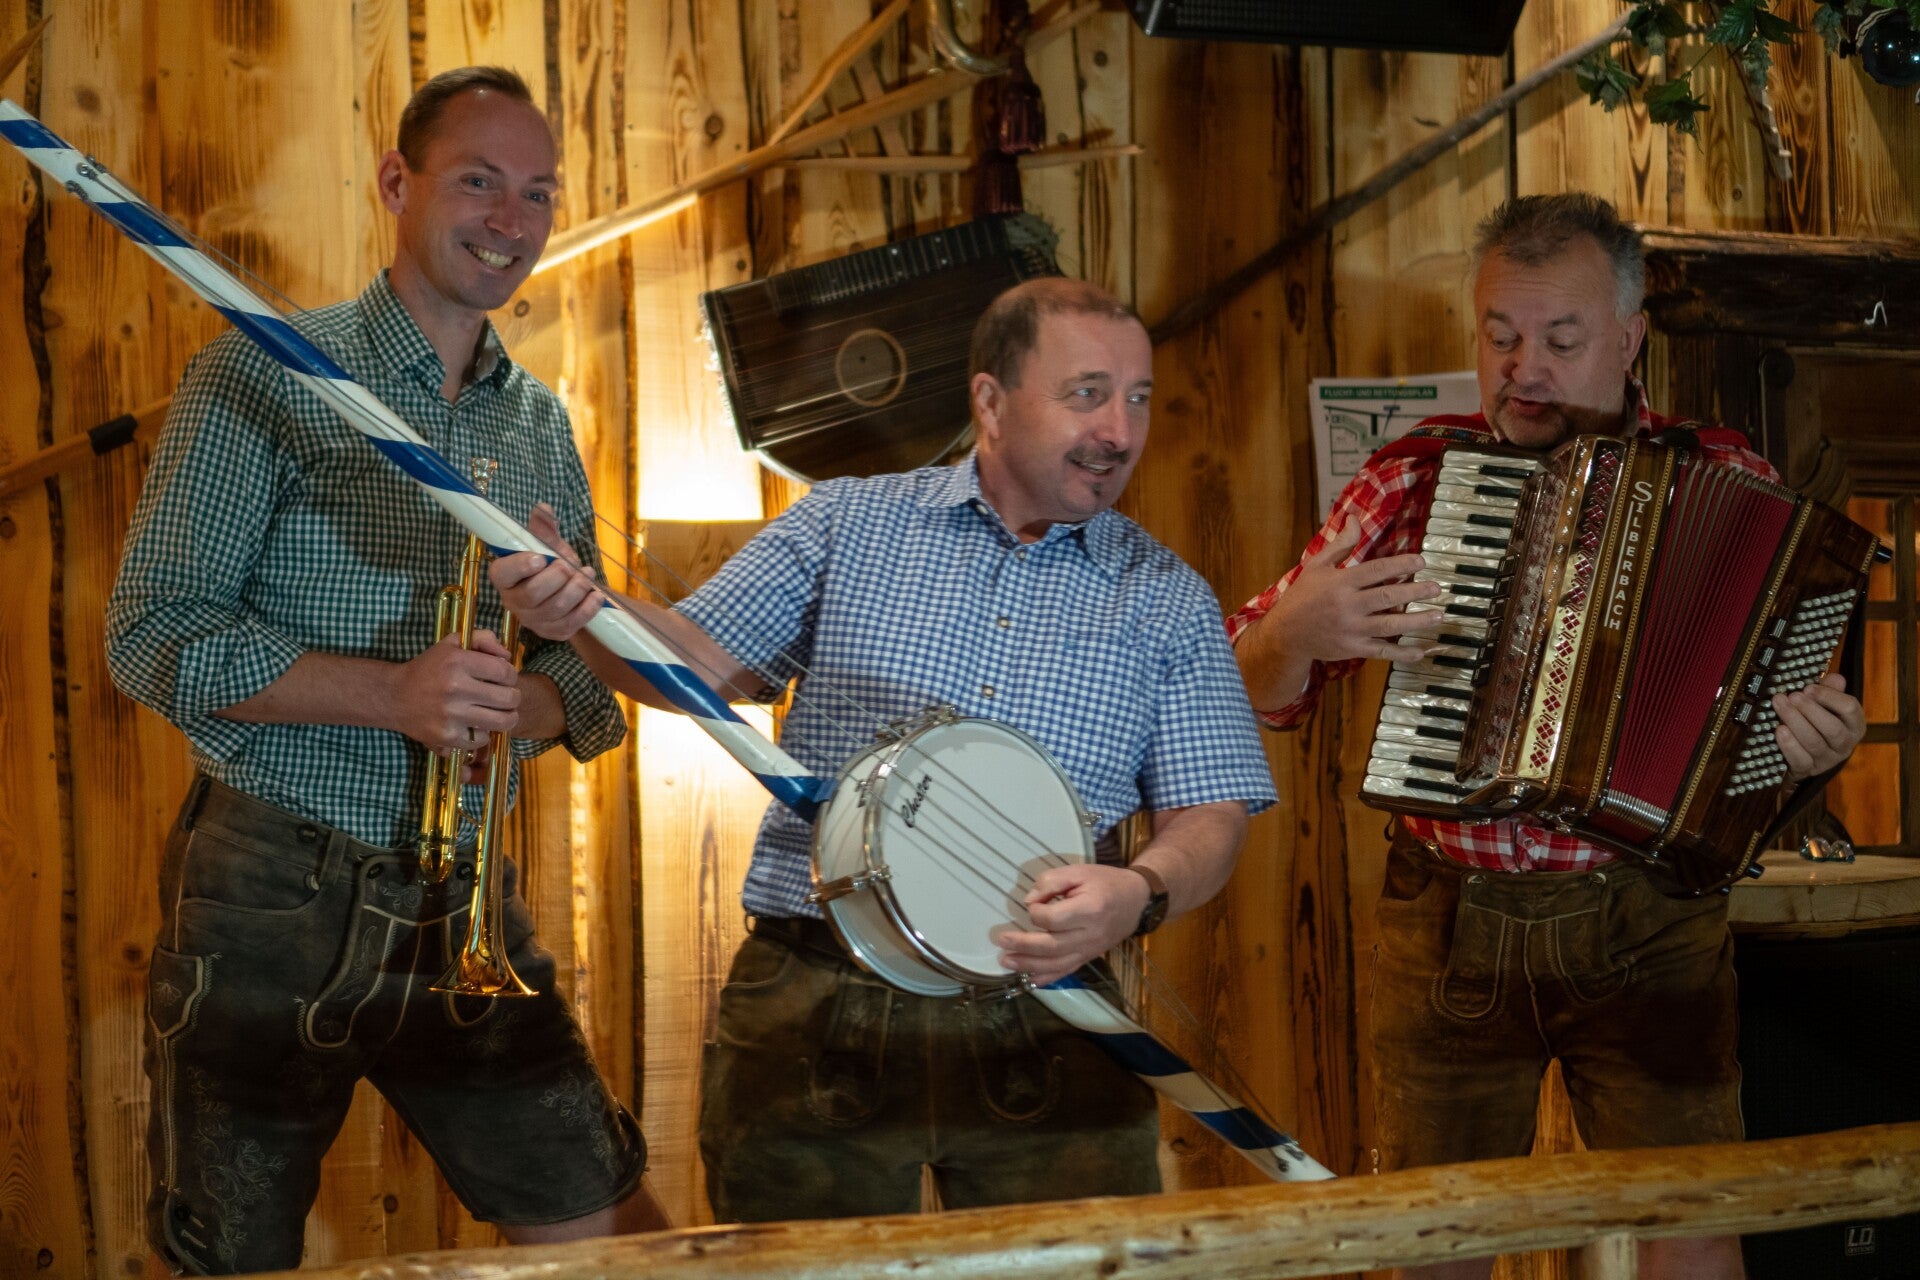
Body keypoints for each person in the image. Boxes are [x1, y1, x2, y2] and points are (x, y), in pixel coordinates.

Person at [491, 276, 1279, 1221]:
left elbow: (1213, 811)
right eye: (1087, 394)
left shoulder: (1168, 595)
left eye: (1138, 398)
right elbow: (694, 664)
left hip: (1053, 1012)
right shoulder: (848, 524)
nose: (1119, 429)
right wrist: (585, 613)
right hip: (815, 999)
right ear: (990, 400)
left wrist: (1140, 892)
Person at [1229, 193, 1863, 1280]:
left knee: (1697, 1228)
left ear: (1627, 338)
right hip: (1448, 927)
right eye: (1499, 335)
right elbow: (1249, 686)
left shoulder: (1729, 480)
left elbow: (1769, 754)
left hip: (1654, 920)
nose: (1523, 367)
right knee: (1435, 1237)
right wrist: (1294, 631)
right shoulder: (1417, 476)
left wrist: (1814, 747)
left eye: (1561, 341)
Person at [106, 66, 668, 1275]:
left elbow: (584, 686)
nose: (510, 220)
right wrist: (395, 694)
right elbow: (152, 634)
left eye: (538, 192)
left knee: (600, 1225)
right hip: (270, 892)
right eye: (478, 181)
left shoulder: (538, 427)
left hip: (465, 893)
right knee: (229, 1257)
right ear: (397, 182)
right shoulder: (264, 370)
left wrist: (524, 695)